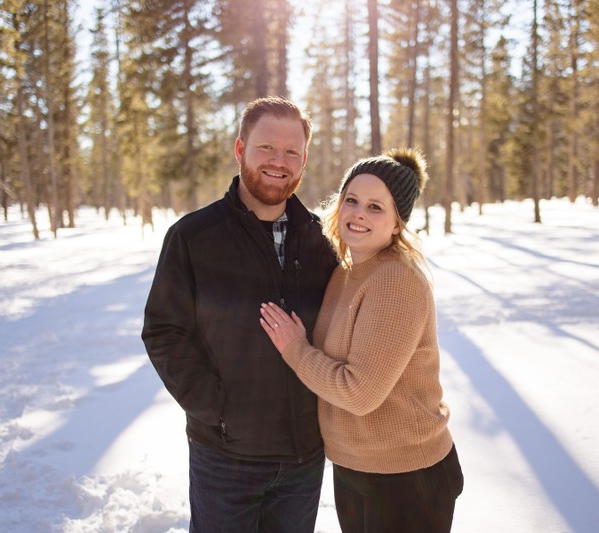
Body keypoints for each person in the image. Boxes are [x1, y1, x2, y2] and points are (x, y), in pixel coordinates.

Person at [141, 96, 338, 533]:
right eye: (266, 147)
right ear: (240, 149)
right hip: (225, 459)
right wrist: (214, 408)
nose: (279, 161)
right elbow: (164, 331)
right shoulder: (194, 237)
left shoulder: (325, 241)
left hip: (304, 460)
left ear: (303, 160)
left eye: (292, 152)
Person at [259, 147, 464, 533]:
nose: (358, 214)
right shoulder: (348, 271)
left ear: (397, 223)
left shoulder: (395, 281)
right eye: (351, 200)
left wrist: (295, 349)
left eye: (375, 207)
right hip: (359, 467)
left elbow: (359, 394)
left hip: (407, 477)